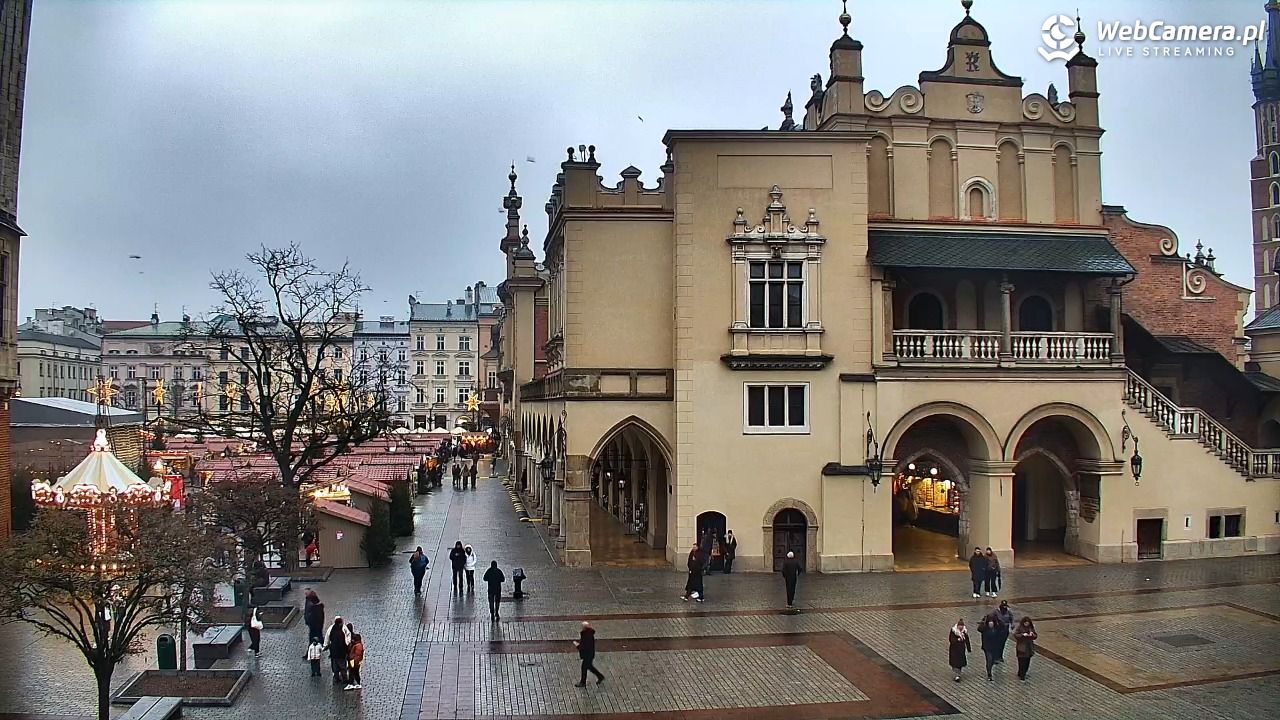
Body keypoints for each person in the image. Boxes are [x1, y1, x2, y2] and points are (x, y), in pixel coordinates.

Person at [573, 621, 605, 687]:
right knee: (589, 667)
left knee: (584, 667)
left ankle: (583, 682)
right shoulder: (588, 633)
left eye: (582, 627)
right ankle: (600, 676)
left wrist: (577, 645)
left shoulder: (586, 635)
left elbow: (584, 646)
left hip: (588, 655)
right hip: (589, 654)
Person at [977, 612, 1002, 681]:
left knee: (993, 660)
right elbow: (979, 629)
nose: (991, 623)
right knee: (989, 660)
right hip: (987, 647)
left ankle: (990, 667)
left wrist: (997, 620)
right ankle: (989, 674)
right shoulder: (985, 628)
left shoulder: (997, 627)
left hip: (995, 646)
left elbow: (1002, 626)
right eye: (989, 622)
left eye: (992, 622)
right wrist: (983, 621)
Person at [326, 616, 349, 684]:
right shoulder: (340, 632)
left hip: (333, 652)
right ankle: (344, 679)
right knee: (342, 666)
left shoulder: (332, 629)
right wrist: (346, 651)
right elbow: (342, 644)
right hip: (340, 653)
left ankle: (336, 678)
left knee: (335, 667)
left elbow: (329, 639)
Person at [1014, 617, 1037, 681]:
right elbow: (1016, 635)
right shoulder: (1020, 628)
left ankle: (1023, 672)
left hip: (1029, 648)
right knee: (1021, 662)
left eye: (1028, 623)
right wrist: (1022, 635)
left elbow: (1035, 636)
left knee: (1027, 662)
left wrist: (1032, 635)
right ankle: (1022, 674)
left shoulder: (1031, 628)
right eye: (1025, 623)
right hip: (1021, 648)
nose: (1026, 624)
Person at [948, 618, 971, 682]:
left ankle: (958, 675)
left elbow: (967, 640)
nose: (961, 627)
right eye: (959, 626)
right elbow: (951, 639)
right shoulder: (953, 631)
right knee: (954, 663)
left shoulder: (964, 631)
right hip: (954, 650)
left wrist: (969, 648)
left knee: (960, 663)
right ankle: (956, 674)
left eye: (962, 626)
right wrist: (957, 640)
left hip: (961, 649)